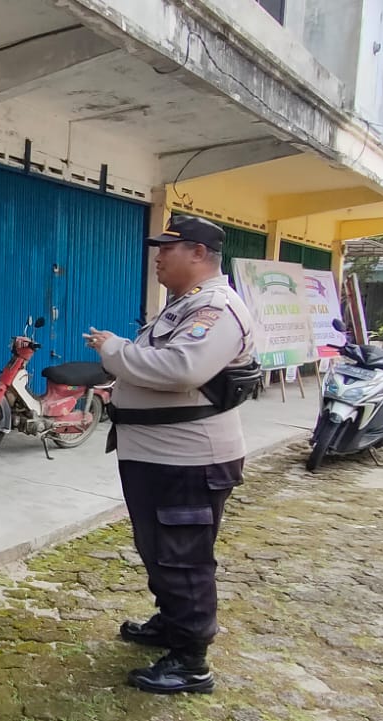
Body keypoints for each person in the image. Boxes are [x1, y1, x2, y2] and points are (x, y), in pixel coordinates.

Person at [85, 214, 258, 695]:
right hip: (159, 456)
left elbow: (183, 367)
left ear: (199, 253)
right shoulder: (181, 307)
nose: (158, 257)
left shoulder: (216, 309)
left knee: (182, 558)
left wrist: (114, 350)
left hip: (188, 460)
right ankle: (171, 623)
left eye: (169, 248)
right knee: (159, 551)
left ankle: (190, 661)